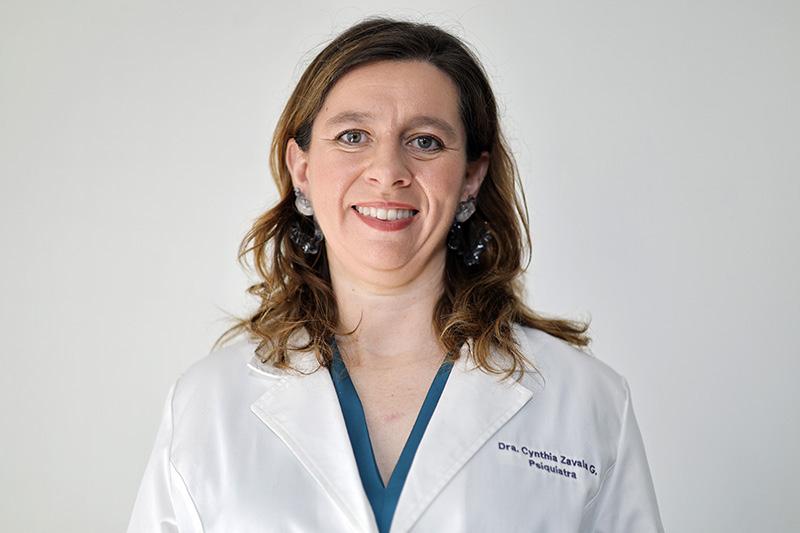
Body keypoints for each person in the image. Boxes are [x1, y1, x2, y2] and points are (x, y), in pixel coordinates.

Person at [127, 16, 664, 533]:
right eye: (353, 136)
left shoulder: (585, 401)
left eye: (425, 141)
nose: (388, 172)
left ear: (471, 177)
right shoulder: (207, 404)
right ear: (302, 169)